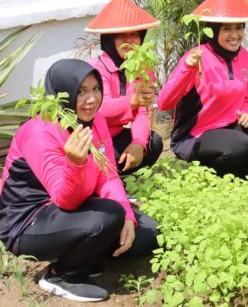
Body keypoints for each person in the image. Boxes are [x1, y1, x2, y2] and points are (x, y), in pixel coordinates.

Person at [0, 60, 158, 302]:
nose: (91, 99)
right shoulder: (40, 131)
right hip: (26, 222)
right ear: (62, 93)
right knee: (109, 216)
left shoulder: (96, 121)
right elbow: (67, 201)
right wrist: (76, 162)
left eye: (96, 89)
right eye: (81, 91)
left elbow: (109, 174)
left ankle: (85, 253)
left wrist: (127, 215)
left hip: (66, 210)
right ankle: (62, 275)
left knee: (147, 234)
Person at [157, 0, 248, 177]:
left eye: (239, 28)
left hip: (230, 127)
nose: (235, 35)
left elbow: (244, 99)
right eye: (227, 29)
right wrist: (187, 69)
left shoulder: (243, 56)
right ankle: (215, 179)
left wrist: (247, 114)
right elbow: (164, 102)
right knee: (241, 145)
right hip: (195, 135)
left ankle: (245, 177)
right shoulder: (196, 58)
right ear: (214, 31)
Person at [85, 0, 164, 176]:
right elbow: (98, 110)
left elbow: (142, 113)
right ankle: (105, 180)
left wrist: (137, 143)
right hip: (93, 140)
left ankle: (120, 177)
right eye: (121, 36)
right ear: (109, 40)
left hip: (115, 138)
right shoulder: (94, 69)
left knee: (154, 143)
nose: (129, 41)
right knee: (99, 160)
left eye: (135, 35)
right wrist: (133, 100)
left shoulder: (142, 68)